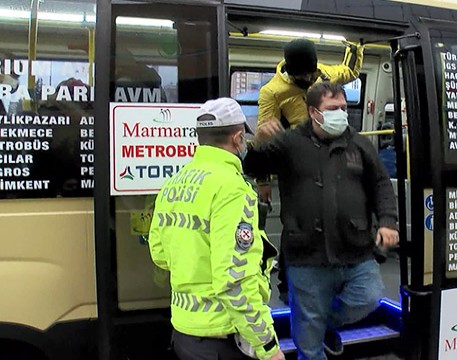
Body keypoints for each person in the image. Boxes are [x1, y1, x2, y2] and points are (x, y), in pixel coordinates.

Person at [244, 82, 399, 360]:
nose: (341, 113)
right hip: (306, 254)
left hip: (355, 248)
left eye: (343, 107)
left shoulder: (359, 143)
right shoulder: (290, 142)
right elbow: (252, 168)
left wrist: (388, 220)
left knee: (369, 296)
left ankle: (322, 324)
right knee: (310, 347)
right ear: (313, 112)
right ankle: (313, 329)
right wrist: (258, 143)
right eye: (332, 109)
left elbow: (380, 184)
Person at [147, 97, 284, 360]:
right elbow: (234, 282)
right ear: (237, 138)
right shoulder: (232, 188)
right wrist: (268, 346)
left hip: (184, 333)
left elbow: (160, 254)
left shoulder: (174, 183)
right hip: (223, 339)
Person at [257, 38, 365, 303]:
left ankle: (332, 280)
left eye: (309, 71)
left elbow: (349, 71)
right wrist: (263, 181)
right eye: (301, 73)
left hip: (329, 157)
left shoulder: (325, 74)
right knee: (294, 224)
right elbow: (264, 136)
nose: (307, 77)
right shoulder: (272, 92)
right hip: (296, 161)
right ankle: (286, 286)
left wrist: (356, 45)